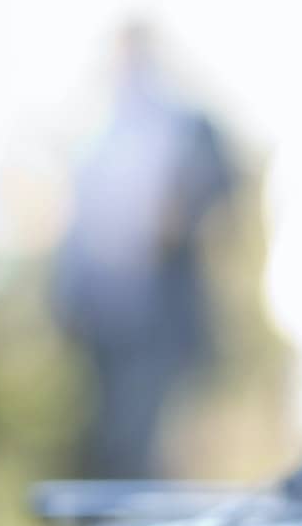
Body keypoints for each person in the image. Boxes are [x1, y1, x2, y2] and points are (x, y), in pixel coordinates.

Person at [53, 25, 234, 478]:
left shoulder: (184, 126)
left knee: (155, 443)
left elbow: (218, 184)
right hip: (107, 323)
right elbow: (76, 230)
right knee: (117, 444)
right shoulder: (97, 135)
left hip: (162, 320)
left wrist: (182, 210)